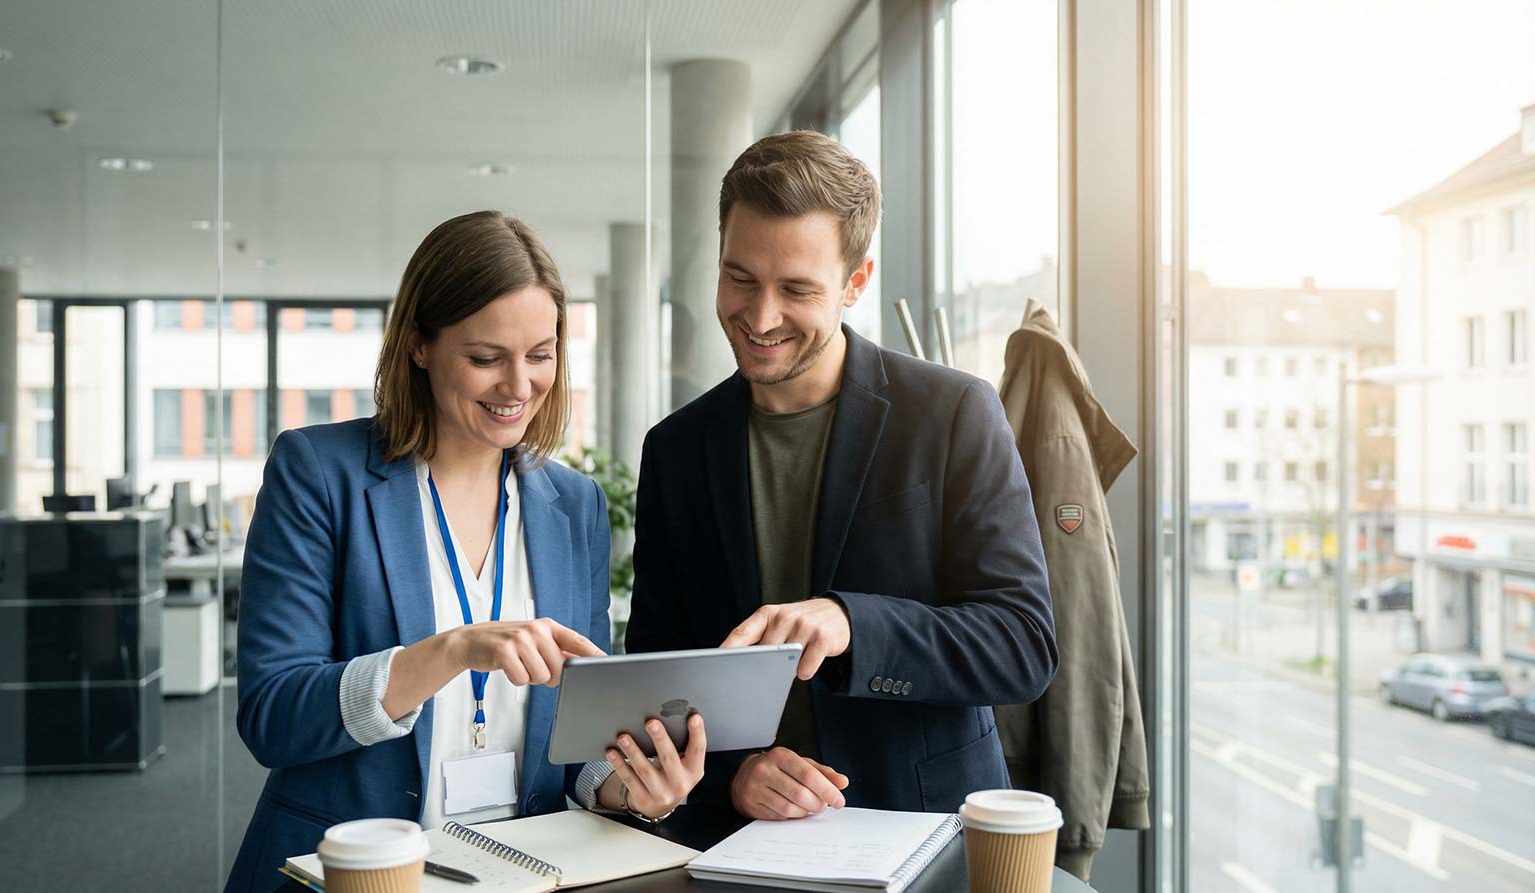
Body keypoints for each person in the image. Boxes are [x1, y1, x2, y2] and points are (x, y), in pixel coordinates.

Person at [227, 212, 704, 892]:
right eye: (486, 358)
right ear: (419, 344)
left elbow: (576, 746)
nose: (519, 386)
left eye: (540, 355)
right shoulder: (318, 473)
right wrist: (450, 652)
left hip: (521, 874)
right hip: (358, 873)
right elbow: (273, 717)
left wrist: (630, 786)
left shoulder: (576, 505)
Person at [625, 132, 1056, 821]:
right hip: (742, 844)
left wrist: (853, 622)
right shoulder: (675, 450)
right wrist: (731, 776)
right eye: (741, 278)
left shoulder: (954, 413)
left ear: (856, 281)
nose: (760, 316)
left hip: (922, 833)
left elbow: (1022, 644)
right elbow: (657, 672)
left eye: (797, 289)